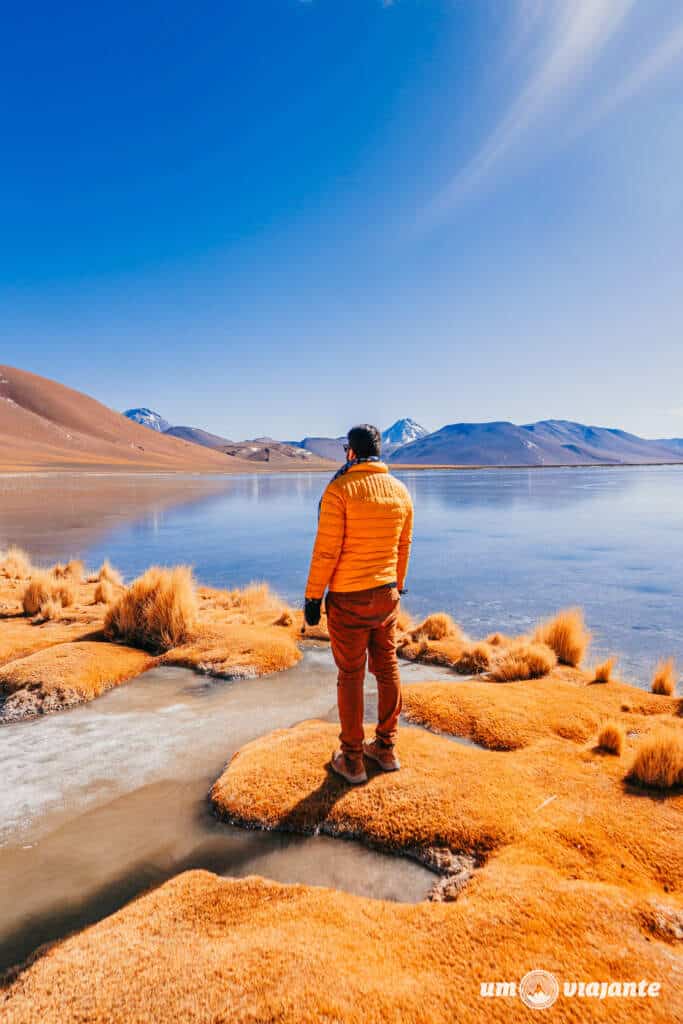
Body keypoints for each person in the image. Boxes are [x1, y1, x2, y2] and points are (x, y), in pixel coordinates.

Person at [304, 424, 414, 784]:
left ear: (351, 452)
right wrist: (397, 585)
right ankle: (385, 748)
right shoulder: (400, 492)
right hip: (386, 597)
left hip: (349, 598)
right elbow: (403, 546)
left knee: (351, 674)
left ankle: (352, 759)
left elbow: (326, 551)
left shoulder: (339, 490)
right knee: (387, 668)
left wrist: (312, 597)